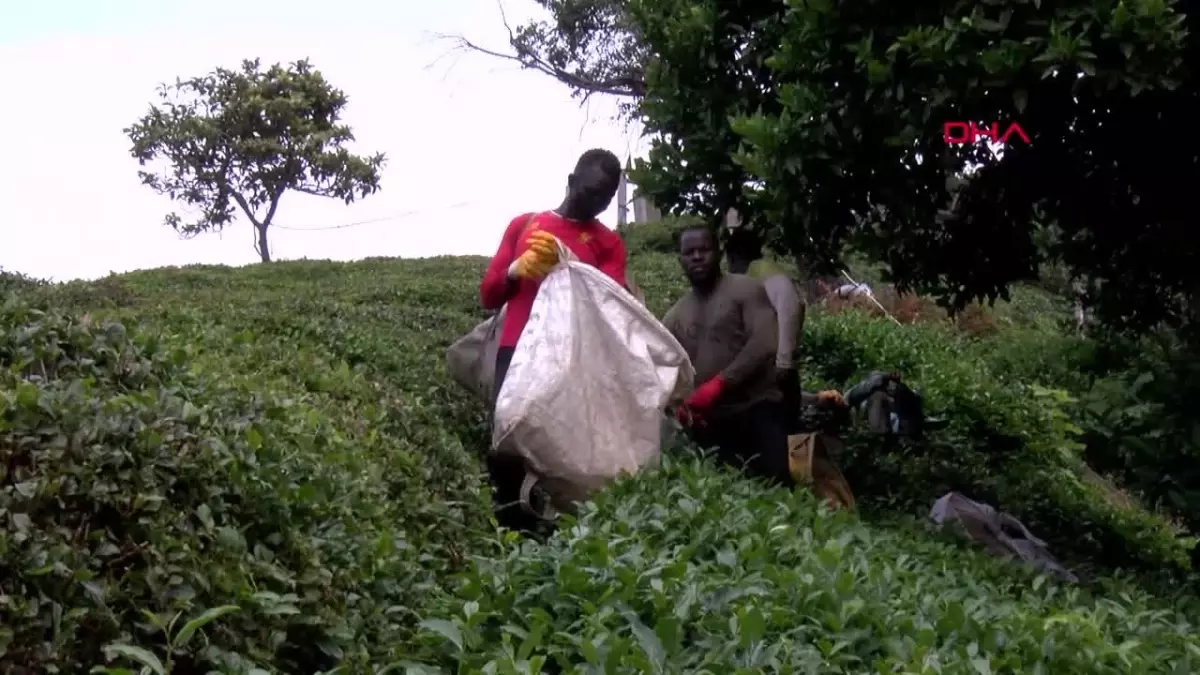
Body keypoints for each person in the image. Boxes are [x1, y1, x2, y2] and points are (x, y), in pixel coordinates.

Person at [478, 148, 627, 532]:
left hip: (572, 358)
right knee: (507, 438)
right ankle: (514, 529)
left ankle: (560, 529)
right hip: (517, 350)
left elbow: (611, 303)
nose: (596, 203)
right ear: (572, 181)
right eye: (591, 192)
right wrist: (516, 270)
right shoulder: (524, 225)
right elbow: (488, 295)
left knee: (565, 445)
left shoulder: (608, 243)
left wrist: (571, 267)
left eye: (606, 198)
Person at [663, 226, 794, 488]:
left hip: (758, 409)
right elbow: (666, 368)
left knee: (776, 488)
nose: (697, 257)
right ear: (680, 260)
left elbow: (765, 342)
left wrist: (720, 383)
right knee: (729, 494)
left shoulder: (746, 290)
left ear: (719, 252)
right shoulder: (675, 315)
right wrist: (681, 405)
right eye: (689, 252)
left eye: (704, 250)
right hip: (713, 423)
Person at [725, 227, 806, 423]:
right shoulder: (755, 277)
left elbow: (789, 314)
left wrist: (784, 362)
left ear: (737, 256)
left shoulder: (770, 278)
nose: (729, 267)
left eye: (730, 261)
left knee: (780, 425)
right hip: (760, 368)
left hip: (776, 368)